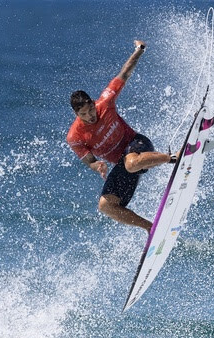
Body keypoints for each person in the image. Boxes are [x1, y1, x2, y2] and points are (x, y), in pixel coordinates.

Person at [66, 40, 177, 232]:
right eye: (83, 114)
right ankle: (151, 228)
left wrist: (139, 50)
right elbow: (89, 161)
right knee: (105, 206)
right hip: (123, 164)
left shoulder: (105, 102)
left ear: (93, 102)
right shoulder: (75, 137)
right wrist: (97, 165)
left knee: (131, 162)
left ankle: (173, 157)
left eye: (91, 110)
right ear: (76, 115)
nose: (91, 116)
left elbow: (124, 73)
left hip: (137, 144)